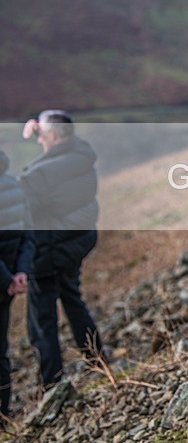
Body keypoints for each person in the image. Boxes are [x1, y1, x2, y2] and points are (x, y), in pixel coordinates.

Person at [18, 110, 105, 388]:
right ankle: (97, 361)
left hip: (47, 250)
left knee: (42, 320)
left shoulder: (46, 171)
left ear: (52, 135)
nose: (38, 136)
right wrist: (40, 129)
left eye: (42, 133)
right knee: (73, 301)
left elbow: (21, 199)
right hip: (73, 245)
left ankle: (52, 384)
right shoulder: (80, 157)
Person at [0, 150, 34, 422]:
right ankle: (3, 412)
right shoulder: (15, 186)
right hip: (8, 284)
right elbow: (29, 234)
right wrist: (19, 272)